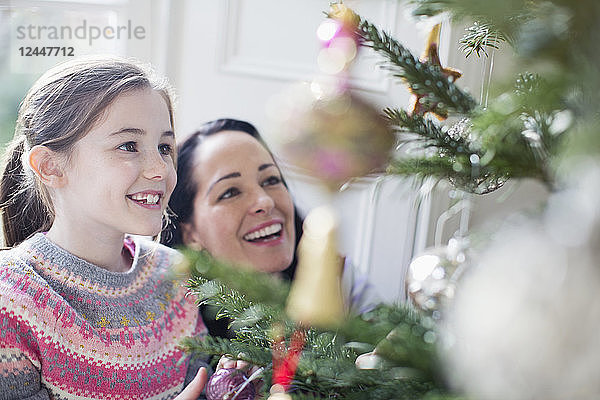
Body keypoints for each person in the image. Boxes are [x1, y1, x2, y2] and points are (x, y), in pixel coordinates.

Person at [0, 56, 209, 399]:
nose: (161, 170)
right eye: (129, 146)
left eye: (164, 147)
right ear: (50, 167)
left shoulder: (176, 273)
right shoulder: (11, 302)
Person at [162, 118, 378, 338]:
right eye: (230, 192)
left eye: (271, 180)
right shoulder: (170, 325)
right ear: (191, 234)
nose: (265, 201)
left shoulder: (339, 278)